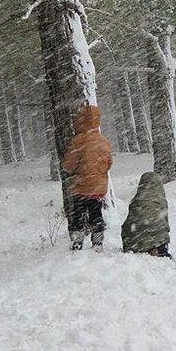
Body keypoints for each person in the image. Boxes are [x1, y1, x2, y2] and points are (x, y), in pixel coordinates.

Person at [121, 172, 176, 267]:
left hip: (131, 243)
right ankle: (164, 253)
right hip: (153, 242)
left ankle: (149, 246)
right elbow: (165, 223)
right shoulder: (160, 200)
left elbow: (131, 220)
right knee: (163, 243)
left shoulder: (135, 200)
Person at [61, 105, 113, 252]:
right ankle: (98, 242)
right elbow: (109, 163)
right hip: (98, 187)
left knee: (77, 216)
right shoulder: (103, 141)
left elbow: (68, 165)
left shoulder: (78, 141)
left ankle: (77, 242)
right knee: (96, 214)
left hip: (80, 186)